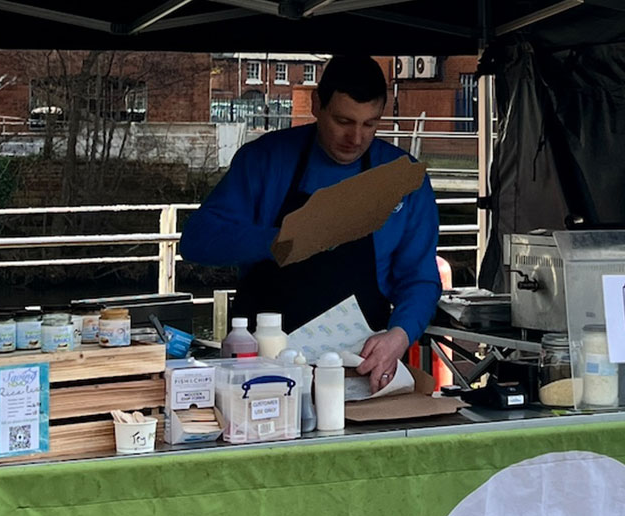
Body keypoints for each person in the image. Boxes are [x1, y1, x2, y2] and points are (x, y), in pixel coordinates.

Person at [181, 55, 440, 393]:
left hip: (359, 370)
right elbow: (196, 240)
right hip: (263, 372)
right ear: (317, 104)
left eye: (370, 124)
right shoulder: (265, 160)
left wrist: (400, 334)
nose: (355, 138)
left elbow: (420, 278)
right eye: (343, 121)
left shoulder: (403, 179)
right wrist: (280, 241)